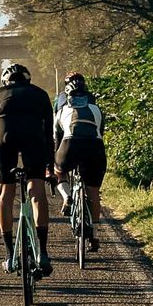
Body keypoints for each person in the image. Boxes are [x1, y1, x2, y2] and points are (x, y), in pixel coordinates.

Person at [0, 62, 55, 275]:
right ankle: (42, 252)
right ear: (28, 79)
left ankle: (8, 254)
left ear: (6, 81)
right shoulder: (40, 94)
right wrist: (49, 168)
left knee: (5, 193)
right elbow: (48, 133)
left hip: (2, 140)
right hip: (34, 139)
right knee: (36, 191)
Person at [53, 75, 107, 252]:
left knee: (59, 171)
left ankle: (67, 196)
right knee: (94, 193)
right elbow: (100, 132)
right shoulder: (96, 109)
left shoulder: (62, 111)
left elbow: (57, 138)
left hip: (69, 145)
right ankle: (95, 236)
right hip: (95, 148)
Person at [52, 71, 98, 213]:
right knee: (90, 178)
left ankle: (67, 196)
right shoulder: (91, 98)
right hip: (93, 144)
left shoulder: (60, 98)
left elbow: (56, 125)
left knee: (59, 170)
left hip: (67, 139)